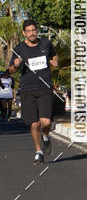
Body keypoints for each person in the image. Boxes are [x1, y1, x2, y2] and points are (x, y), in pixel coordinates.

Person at [8, 20, 58, 163]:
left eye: (33, 30)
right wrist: (15, 65)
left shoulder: (45, 43)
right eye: (28, 31)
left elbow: (54, 55)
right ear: (24, 33)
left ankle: (46, 137)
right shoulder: (19, 48)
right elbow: (10, 70)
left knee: (46, 122)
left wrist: (54, 61)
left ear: (37, 31)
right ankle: (38, 152)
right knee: (34, 124)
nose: (31, 33)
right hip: (28, 90)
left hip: (44, 87)